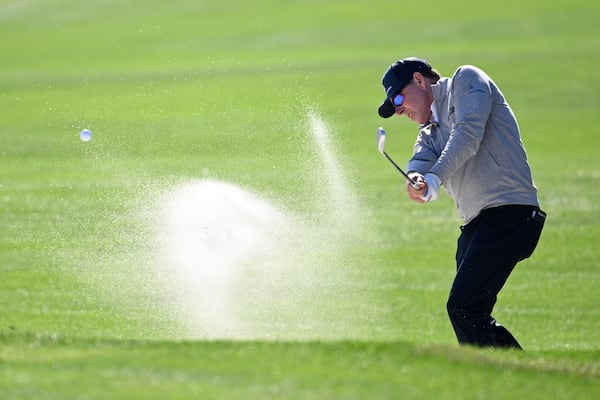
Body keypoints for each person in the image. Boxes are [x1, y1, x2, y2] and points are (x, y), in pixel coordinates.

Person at [377, 57, 546, 349]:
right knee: (469, 314)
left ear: (419, 80)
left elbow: (467, 135)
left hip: (511, 214)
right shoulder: (428, 133)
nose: (398, 109)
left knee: (463, 308)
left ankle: (513, 378)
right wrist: (417, 180)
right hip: (477, 225)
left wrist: (434, 179)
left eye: (399, 98)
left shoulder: (466, 81)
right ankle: (506, 375)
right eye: (393, 106)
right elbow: (419, 162)